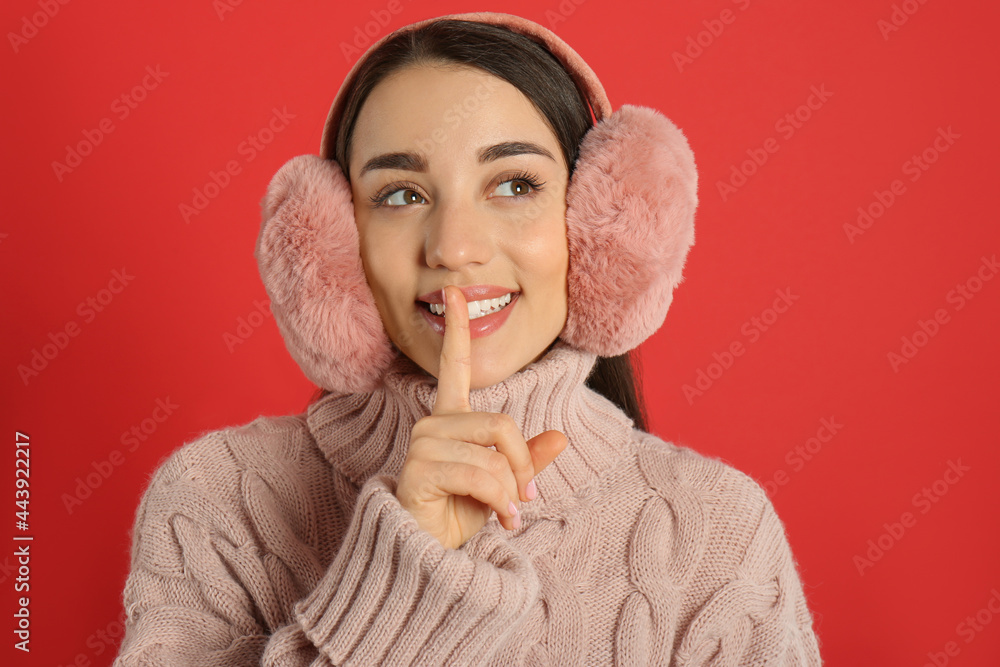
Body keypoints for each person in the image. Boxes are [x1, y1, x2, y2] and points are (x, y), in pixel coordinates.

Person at [114, 12, 823, 666]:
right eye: (401, 194)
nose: (454, 247)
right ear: (334, 251)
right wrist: (405, 573)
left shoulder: (716, 531)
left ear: (600, 224)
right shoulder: (216, 501)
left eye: (514, 184)